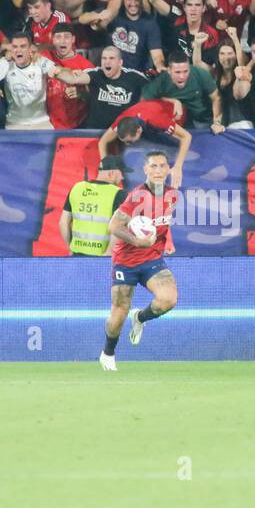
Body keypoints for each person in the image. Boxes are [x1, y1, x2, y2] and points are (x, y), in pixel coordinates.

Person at [100, 149, 180, 372]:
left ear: (168, 169)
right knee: (119, 311)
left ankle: (140, 317)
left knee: (168, 300)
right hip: (126, 261)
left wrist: (168, 240)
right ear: (145, 169)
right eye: (153, 166)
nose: (158, 170)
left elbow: (162, 223)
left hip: (152, 260)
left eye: (162, 165)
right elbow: (114, 227)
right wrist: (137, 242)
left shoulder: (171, 195)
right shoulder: (136, 197)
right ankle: (108, 353)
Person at [60, 156, 129, 257]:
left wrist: (70, 249)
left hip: (77, 255)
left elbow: (63, 222)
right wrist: (108, 253)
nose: (122, 177)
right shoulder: (119, 194)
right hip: (101, 258)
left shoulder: (77, 188)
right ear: (112, 173)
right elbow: (118, 228)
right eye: (121, 173)